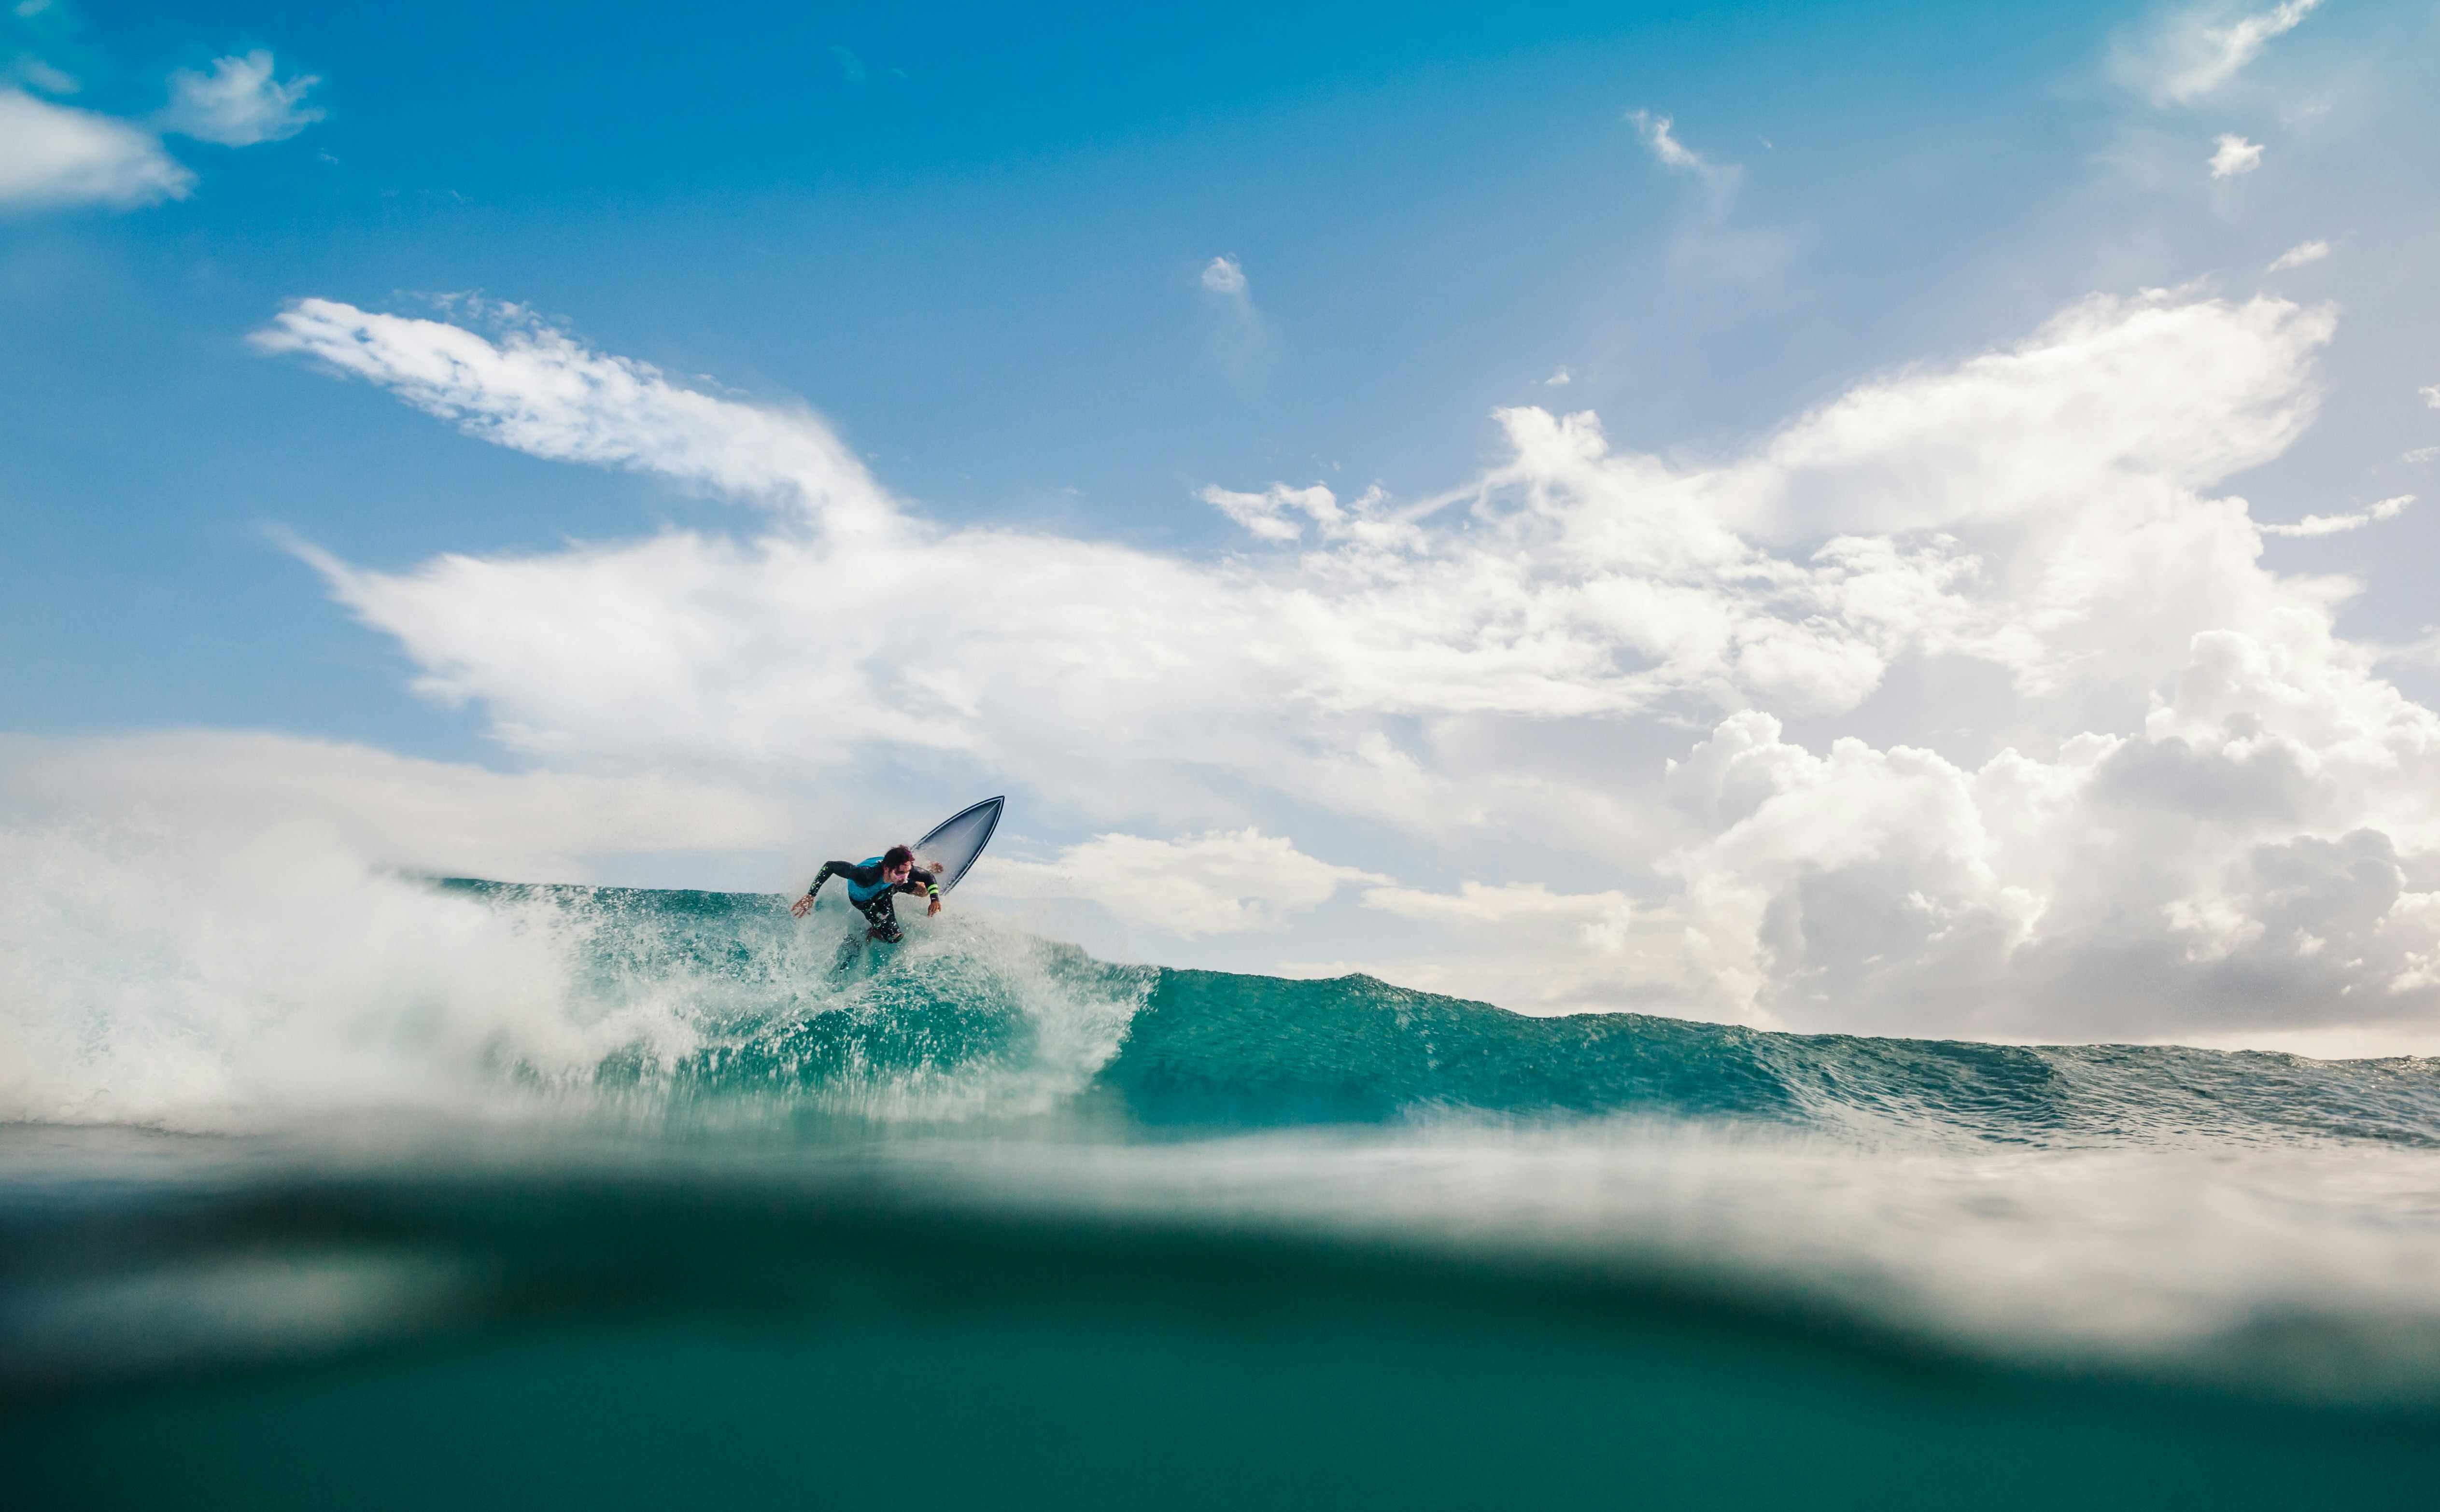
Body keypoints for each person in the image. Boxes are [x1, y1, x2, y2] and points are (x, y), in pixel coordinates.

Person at [791, 843, 942, 942]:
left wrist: (935, 899)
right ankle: (872, 929)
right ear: (887, 869)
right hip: (865, 901)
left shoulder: (900, 875)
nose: (905, 877)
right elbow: (830, 866)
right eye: (901, 872)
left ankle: (927, 867)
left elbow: (928, 877)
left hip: (888, 886)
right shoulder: (864, 876)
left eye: (908, 872)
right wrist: (811, 895)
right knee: (893, 938)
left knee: (924, 891)